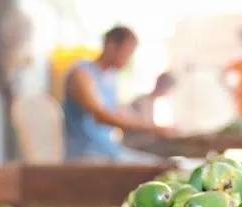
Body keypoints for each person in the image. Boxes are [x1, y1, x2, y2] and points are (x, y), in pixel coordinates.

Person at [63, 26, 169, 161]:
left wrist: (158, 128)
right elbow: (101, 116)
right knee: (157, 168)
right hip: (87, 153)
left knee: (160, 163)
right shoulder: (82, 74)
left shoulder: (110, 77)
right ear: (111, 45)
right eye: (127, 52)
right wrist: (152, 128)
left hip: (107, 149)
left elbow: (119, 113)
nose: (128, 59)